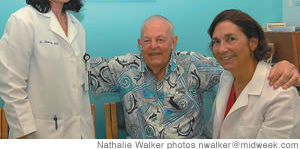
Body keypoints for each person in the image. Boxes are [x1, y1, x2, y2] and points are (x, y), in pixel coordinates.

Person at [88, 14, 300, 139]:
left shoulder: (194, 65)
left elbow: (243, 68)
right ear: (139, 44)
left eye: (161, 39)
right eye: (147, 40)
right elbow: (78, 72)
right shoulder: (123, 67)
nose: (154, 47)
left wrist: (283, 67)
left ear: (174, 42)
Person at [0, 0, 94, 138]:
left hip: (79, 131)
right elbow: (11, 85)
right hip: (39, 133)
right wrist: (24, 134)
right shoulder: (23, 21)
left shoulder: (77, 26)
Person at [204, 9, 300, 138]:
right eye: (216, 42)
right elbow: (212, 134)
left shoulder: (281, 95)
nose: (222, 49)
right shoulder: (226, 78)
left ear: (253, 43)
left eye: (231, 39)